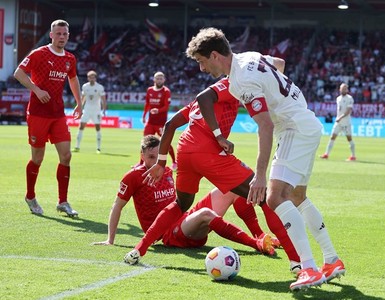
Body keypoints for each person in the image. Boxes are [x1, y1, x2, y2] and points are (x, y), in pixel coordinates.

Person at [183, 27, 345, 291]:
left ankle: (309, 269)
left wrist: (259, 175)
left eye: (201, 62)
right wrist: (277, 94)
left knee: (274, 196)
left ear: (214, 55)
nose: (202, 69)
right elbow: (279, 64)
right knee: (297, 197)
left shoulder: (240, 80)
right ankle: (331, 260)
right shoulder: (249, 57)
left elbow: (265, 125)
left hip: (292, 128)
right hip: (305, 121)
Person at [125, 78, 302, 273]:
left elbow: (170, 124)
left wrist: (161, 163)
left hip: (185, 151)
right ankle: (297, 261)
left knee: (181, 204)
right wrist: (218, 135)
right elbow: (205, 97)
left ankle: (139, 249)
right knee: (263, 196)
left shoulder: (198, 105)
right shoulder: (233, 84)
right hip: (207, 152)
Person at [93, 135, 273, 255]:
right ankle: (254, 244)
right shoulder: (133, 176)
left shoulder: (166, 170)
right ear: (141, 154)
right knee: (206, 214)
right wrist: (110, 239)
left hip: (184, 218)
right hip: (167, 234)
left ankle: (260, 235)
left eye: (158, 156)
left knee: (233, 187)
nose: (155, 161)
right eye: (150, 157)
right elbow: (117, 205)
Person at [13, 19, 82, 217]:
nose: (61, 37)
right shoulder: (39, 53)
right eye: (58, 33)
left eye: (65, 34)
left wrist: (79, 102)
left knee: (66, 156)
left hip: (58, 113)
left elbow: (73, 78)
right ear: (51, 35)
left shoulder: (70, 58)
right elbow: (19, 73)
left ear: (68, 36)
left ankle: (63, 201)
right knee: (38, 158)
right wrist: (36, 89)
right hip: (37, 113)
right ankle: (30, 196)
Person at [142, 72, 176, 170]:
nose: (159, 80)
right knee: (145, 143)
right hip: (150, 121)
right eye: (157, 78)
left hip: (161, 122)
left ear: (164, 80)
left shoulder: (166, 91)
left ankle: (174, 162)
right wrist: (144, 115)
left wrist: (158, 110)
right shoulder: (149, 90)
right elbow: (147, 104)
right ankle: (141, 163)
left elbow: (166, 107)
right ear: (154, 79)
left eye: (161, 78)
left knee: (165, 143)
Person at [320, 83, 356, 161]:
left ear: (347, 90)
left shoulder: (350, 98)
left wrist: (340, 117)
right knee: (332, 137)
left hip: (346, 122)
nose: (343, 90)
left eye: (345, 88)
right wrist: (337, 117)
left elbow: (348, 111)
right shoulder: (338, 98)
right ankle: (326, 154)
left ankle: (353, 156)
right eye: (342, 88)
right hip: (338, 122)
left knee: (349, 138)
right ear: (340, 89)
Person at [73, 70, 106, 153]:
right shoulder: (85, 86)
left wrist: (104, 110)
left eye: (93, 77)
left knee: (98, 128)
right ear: (88, 78)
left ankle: (98, 148)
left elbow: (103, 100)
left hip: (96, 111)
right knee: (81, 126)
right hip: (87, 110)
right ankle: (77, 147)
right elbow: (83, 98)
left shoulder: (99, 87)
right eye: (90, 77)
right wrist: (79, 107)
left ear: (95, 78)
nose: (91, 79)